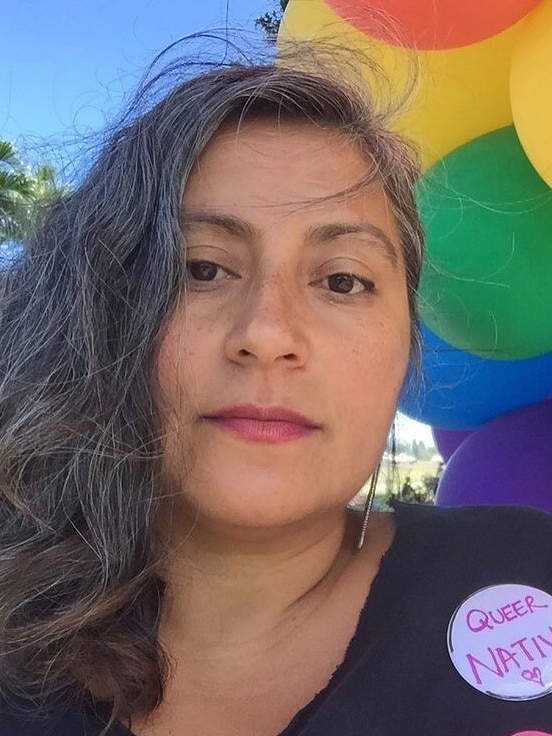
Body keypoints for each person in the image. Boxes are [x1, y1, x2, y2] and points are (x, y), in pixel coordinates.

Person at [1, 42, 552, 736]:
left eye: (343, 280)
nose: (268, 332)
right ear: (98, 312)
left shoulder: (535, 572)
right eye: (201, 269)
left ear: (405, 346)